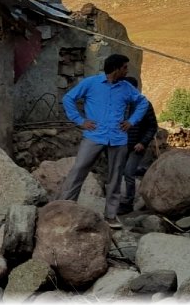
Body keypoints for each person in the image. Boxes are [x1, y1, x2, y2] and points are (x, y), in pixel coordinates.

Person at [58, 53, 149, 228]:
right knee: (78, 170)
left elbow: (143, 103)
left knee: (115, 177)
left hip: (118, 138)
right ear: (116, 69)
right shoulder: (91, 83)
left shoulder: (126, 87)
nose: (127, 70)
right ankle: (65, 208)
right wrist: (80, 120)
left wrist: (132, 121)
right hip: (94, 136)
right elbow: (68, 98)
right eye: (124, 67)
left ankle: (111, 216)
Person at [116, 76, 159, 215]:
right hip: (120, 144)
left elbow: (153, 126)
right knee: (116, 172)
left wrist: (143, 142)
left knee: (129, 173)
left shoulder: (144, 105)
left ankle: (127, 203)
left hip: (137, 146)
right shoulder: (119, 103)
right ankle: (114, 200)